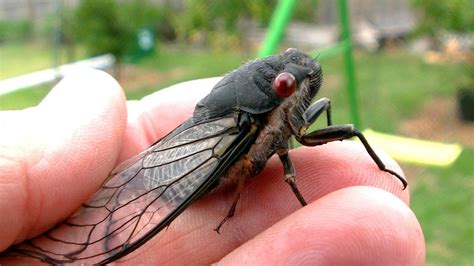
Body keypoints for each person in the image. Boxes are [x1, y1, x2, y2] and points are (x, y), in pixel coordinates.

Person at [0, 69, 424, 264]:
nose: (303, 91)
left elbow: (294, 126)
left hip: (242, 126)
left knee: (349, 133)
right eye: (287, 87)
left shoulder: (287, 107)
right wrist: (239, 201)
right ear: (278, 91)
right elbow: (249, 166)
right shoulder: (256, 120)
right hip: (208, 155)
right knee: (261, 166)